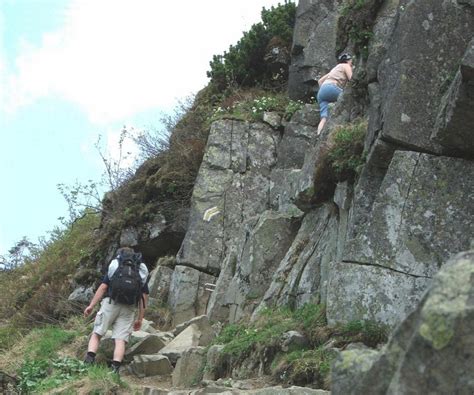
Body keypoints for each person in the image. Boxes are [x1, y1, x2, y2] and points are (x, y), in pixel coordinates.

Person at [83, 246, 149, 374]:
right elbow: (144, 296)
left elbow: (103, 287)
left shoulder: (116, 266)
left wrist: (91, 305)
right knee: (120, 340)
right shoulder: (139, 270)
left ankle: (89, 361)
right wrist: (140, 318)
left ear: (120, 254)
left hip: (111, 303)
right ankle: (115, 369)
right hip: (129, 308)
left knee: (97, 333)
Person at [316, 53, 354, 134]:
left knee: (324, 118)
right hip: (331, 87)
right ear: (348, 60)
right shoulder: (346, 66)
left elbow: (320, 81)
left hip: (321, 93)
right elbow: (351, 79)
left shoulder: (335, 69)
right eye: (351, 61)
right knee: (348, 98)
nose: (351, 63)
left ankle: (318, 134)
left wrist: (325, 91)